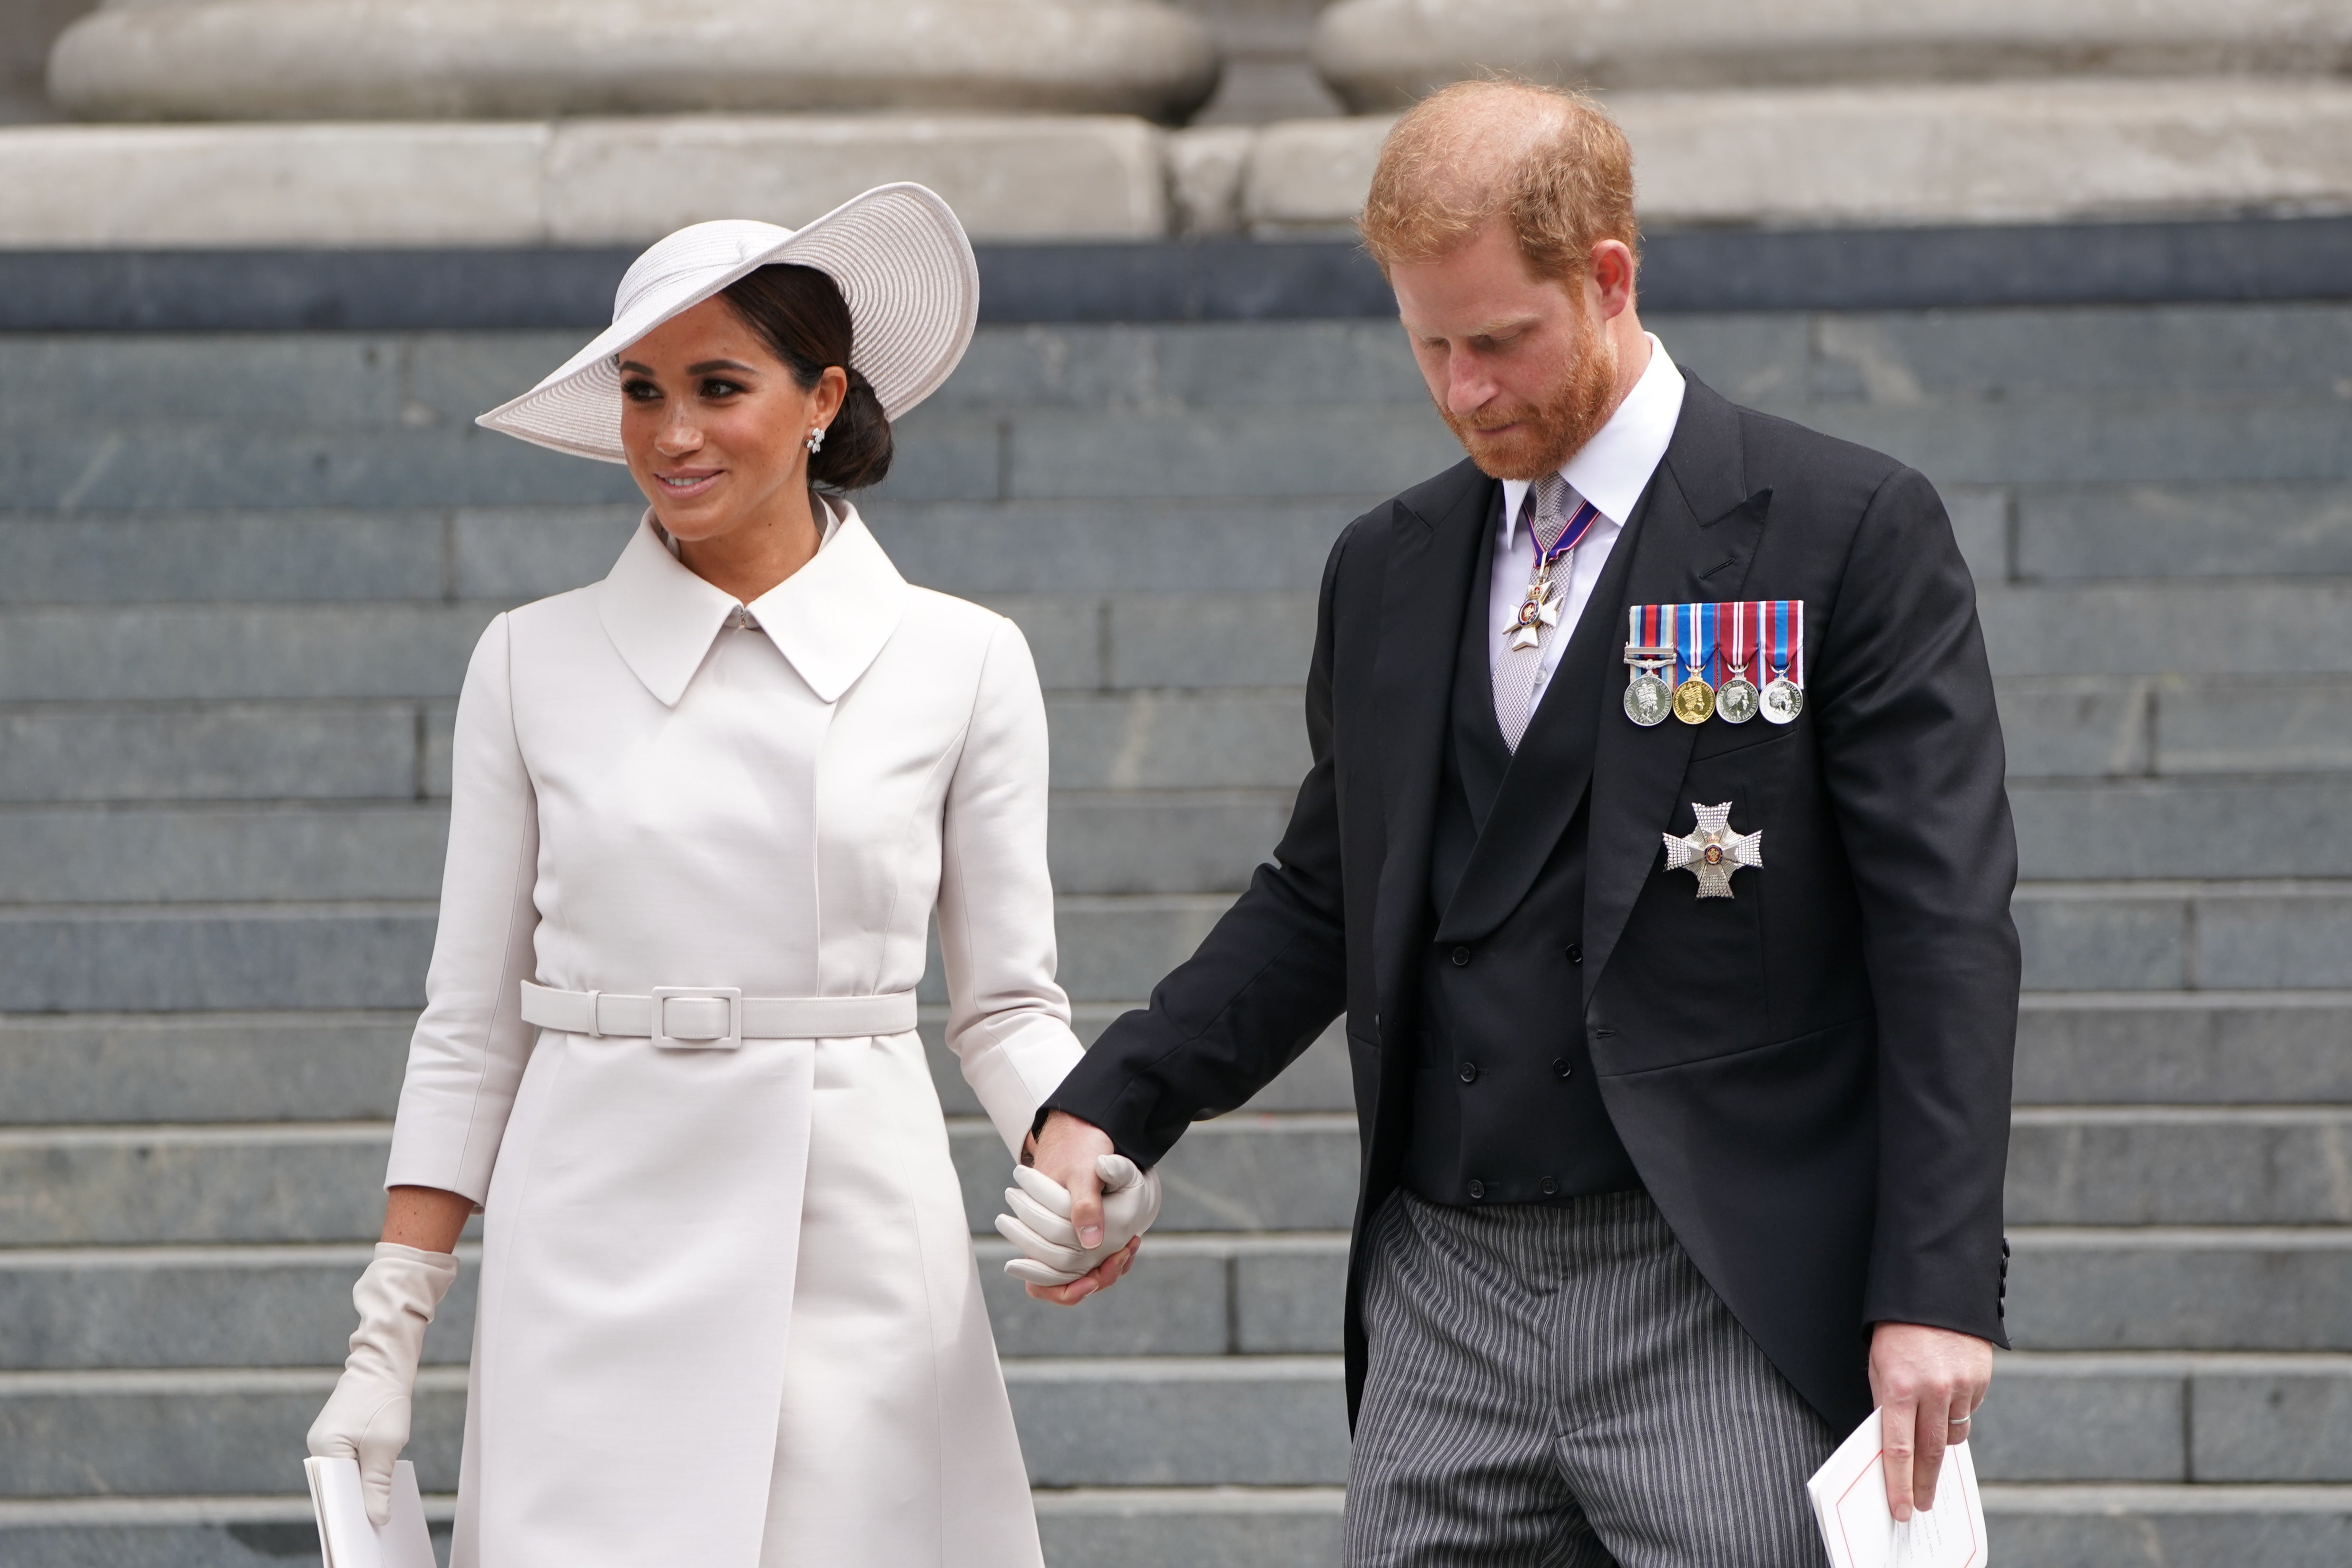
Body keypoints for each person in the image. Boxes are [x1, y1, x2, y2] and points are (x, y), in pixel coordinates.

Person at [1005, 82, 2020, 1564]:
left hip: (1716, 1280)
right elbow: (1322, 893)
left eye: (1499, 342)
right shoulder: (1390, 565)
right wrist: (1115, 1097)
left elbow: (1942, 930)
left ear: (1608, 277)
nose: (1465, 390)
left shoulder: (1841, 529)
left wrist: (1933, 1285)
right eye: (1429, 345)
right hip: (1441, 1291)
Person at [303, 184, 1149, 1568]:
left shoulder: (963, 660)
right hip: (587, 1241)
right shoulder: (529, 661)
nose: (672, 434)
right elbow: (471, 1020)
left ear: (823, 399)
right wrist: (387, 1331)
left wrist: (1090, 1156)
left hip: (861, 1246)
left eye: (717, 385)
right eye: (642, 391)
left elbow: (1005, 1010)